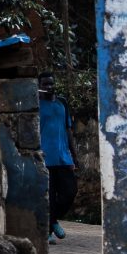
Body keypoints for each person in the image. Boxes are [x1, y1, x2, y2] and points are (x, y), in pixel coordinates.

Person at [38, 73, 77, 243]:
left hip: (63, 158)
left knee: (70, 192)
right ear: (39, 86)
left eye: (51, 83)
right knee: (49, 196)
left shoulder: (62, 102)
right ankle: (48, 231)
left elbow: (68, 130)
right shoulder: (35, 104)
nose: (49, 87)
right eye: (45, 84)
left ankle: (52, 220)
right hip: (44, 158)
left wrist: (74, 156)